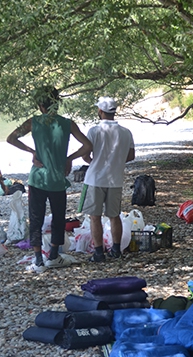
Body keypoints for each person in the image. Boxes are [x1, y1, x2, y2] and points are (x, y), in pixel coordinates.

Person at [7, 86, 92, 273]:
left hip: (37, 178)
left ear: (40, 105)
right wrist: (69, 159)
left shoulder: (33, 122)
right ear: (57, 102)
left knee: (36, 218)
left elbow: (11, 138)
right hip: (57, 179)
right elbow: (87, 145)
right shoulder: (68, 123)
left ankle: (38, 259)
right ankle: (53, 256)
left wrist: (32, 151)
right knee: (58, 217)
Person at [81, 97, 135, 262]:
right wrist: (115, 163)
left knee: (95, 217)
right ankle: (116, 250)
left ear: (100, 111)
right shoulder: (126, 132)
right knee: (114, 215)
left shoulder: (94, 131)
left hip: (95, 179)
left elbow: (85, 154)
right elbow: (131, 155)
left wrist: (95, 163)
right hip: (115, 179)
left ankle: (98, 253)